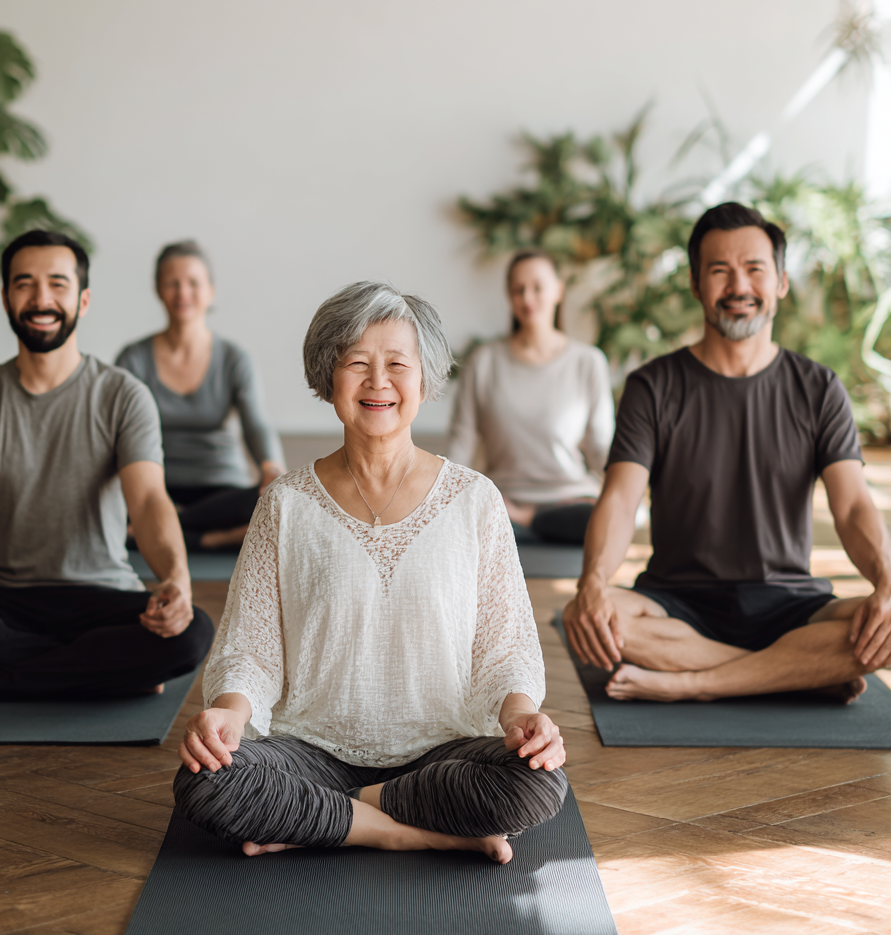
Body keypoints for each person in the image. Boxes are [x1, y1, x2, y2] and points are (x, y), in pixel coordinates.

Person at [174, 281, 567, 864]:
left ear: (425, 380)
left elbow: (506, 645)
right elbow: (250, 648)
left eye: (397, 364)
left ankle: (328, 817)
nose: (377, 381)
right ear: (328, 377)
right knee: (204, 781)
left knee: (538, 782)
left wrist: (522, 718)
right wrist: (228, 714)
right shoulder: (285, 502)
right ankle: (414, 832)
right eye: (356, 363)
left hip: (445, 750)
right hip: (311, 751)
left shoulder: (475, 499)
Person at [0, 230, 214, 708]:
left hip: (101, 595)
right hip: (1, 599)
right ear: (7, 297)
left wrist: (176, 577)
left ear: (83, 299)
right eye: (24, 284)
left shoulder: (123, 395)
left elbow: (149, 499)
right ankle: (105, 671)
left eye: (57, 283)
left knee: (192, 632)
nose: (41, 298)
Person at [563, 202, 891, 703]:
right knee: (590, 616)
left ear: (781, 282)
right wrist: (592, 582)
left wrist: (887, 581)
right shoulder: (653, 385)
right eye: (719, 271)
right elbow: (620, 500)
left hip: (791, 605)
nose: (739, 287)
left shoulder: (819, 388)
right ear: (696, 285)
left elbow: (852, 506)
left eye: (755, 269)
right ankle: (798, 672)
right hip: (677, 603)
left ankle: (697, 683)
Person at [116, 241, 285, 550]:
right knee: (110, 507)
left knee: (272, 505)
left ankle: (163, 527)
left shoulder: (235, 358)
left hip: (221, 490)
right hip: (156, 485)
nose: (183, 292)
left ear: (211, 291)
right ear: (158, 290)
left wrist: (271, 468)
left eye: (193, 283)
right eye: (172, 283)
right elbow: (118, 432)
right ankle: (208, 538)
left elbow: (256, 423)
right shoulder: (133, 358)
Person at [448, 250, 614, 545]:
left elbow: (601, 447)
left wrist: (622, 490)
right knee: (471, 516)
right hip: (503, 502)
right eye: (518, 289)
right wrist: (443, 498)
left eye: (538, 287)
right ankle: (527, 521)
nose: (527, 297)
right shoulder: (483, 361)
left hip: (572, 501)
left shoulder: (588, 361)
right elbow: (462, 442)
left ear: (558, 290)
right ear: (508, 296)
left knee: (610, 515)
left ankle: (529, 520)